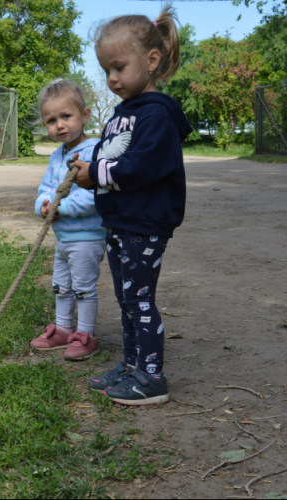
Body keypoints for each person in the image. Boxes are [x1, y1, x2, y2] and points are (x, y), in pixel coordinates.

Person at [70, 6, 193, 406]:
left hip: (145, 224)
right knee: (126, 299)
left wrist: (97, 173)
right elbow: (112, 157)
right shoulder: (125, 113)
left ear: (151, 61)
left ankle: (152, 377)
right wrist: (87, 170)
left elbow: (141, 167)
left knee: (140, 300)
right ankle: (132, 365)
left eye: (119, 67)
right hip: (121, 223)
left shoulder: (156, 115)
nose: (111, 79)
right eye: (106, 70)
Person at [30, 79, 106, 361]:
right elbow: (46, 189)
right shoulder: (56, 156)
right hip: (64, 238)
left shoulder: (95, 151)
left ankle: (86, 335)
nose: (59, 125)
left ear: (84, 116)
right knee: (61, 284)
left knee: (84, 287)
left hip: (87, 237)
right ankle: (63, 328)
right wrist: (43, 205)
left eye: (66, 116)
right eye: (51, 120)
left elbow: (95, 195)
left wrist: (64, 208)